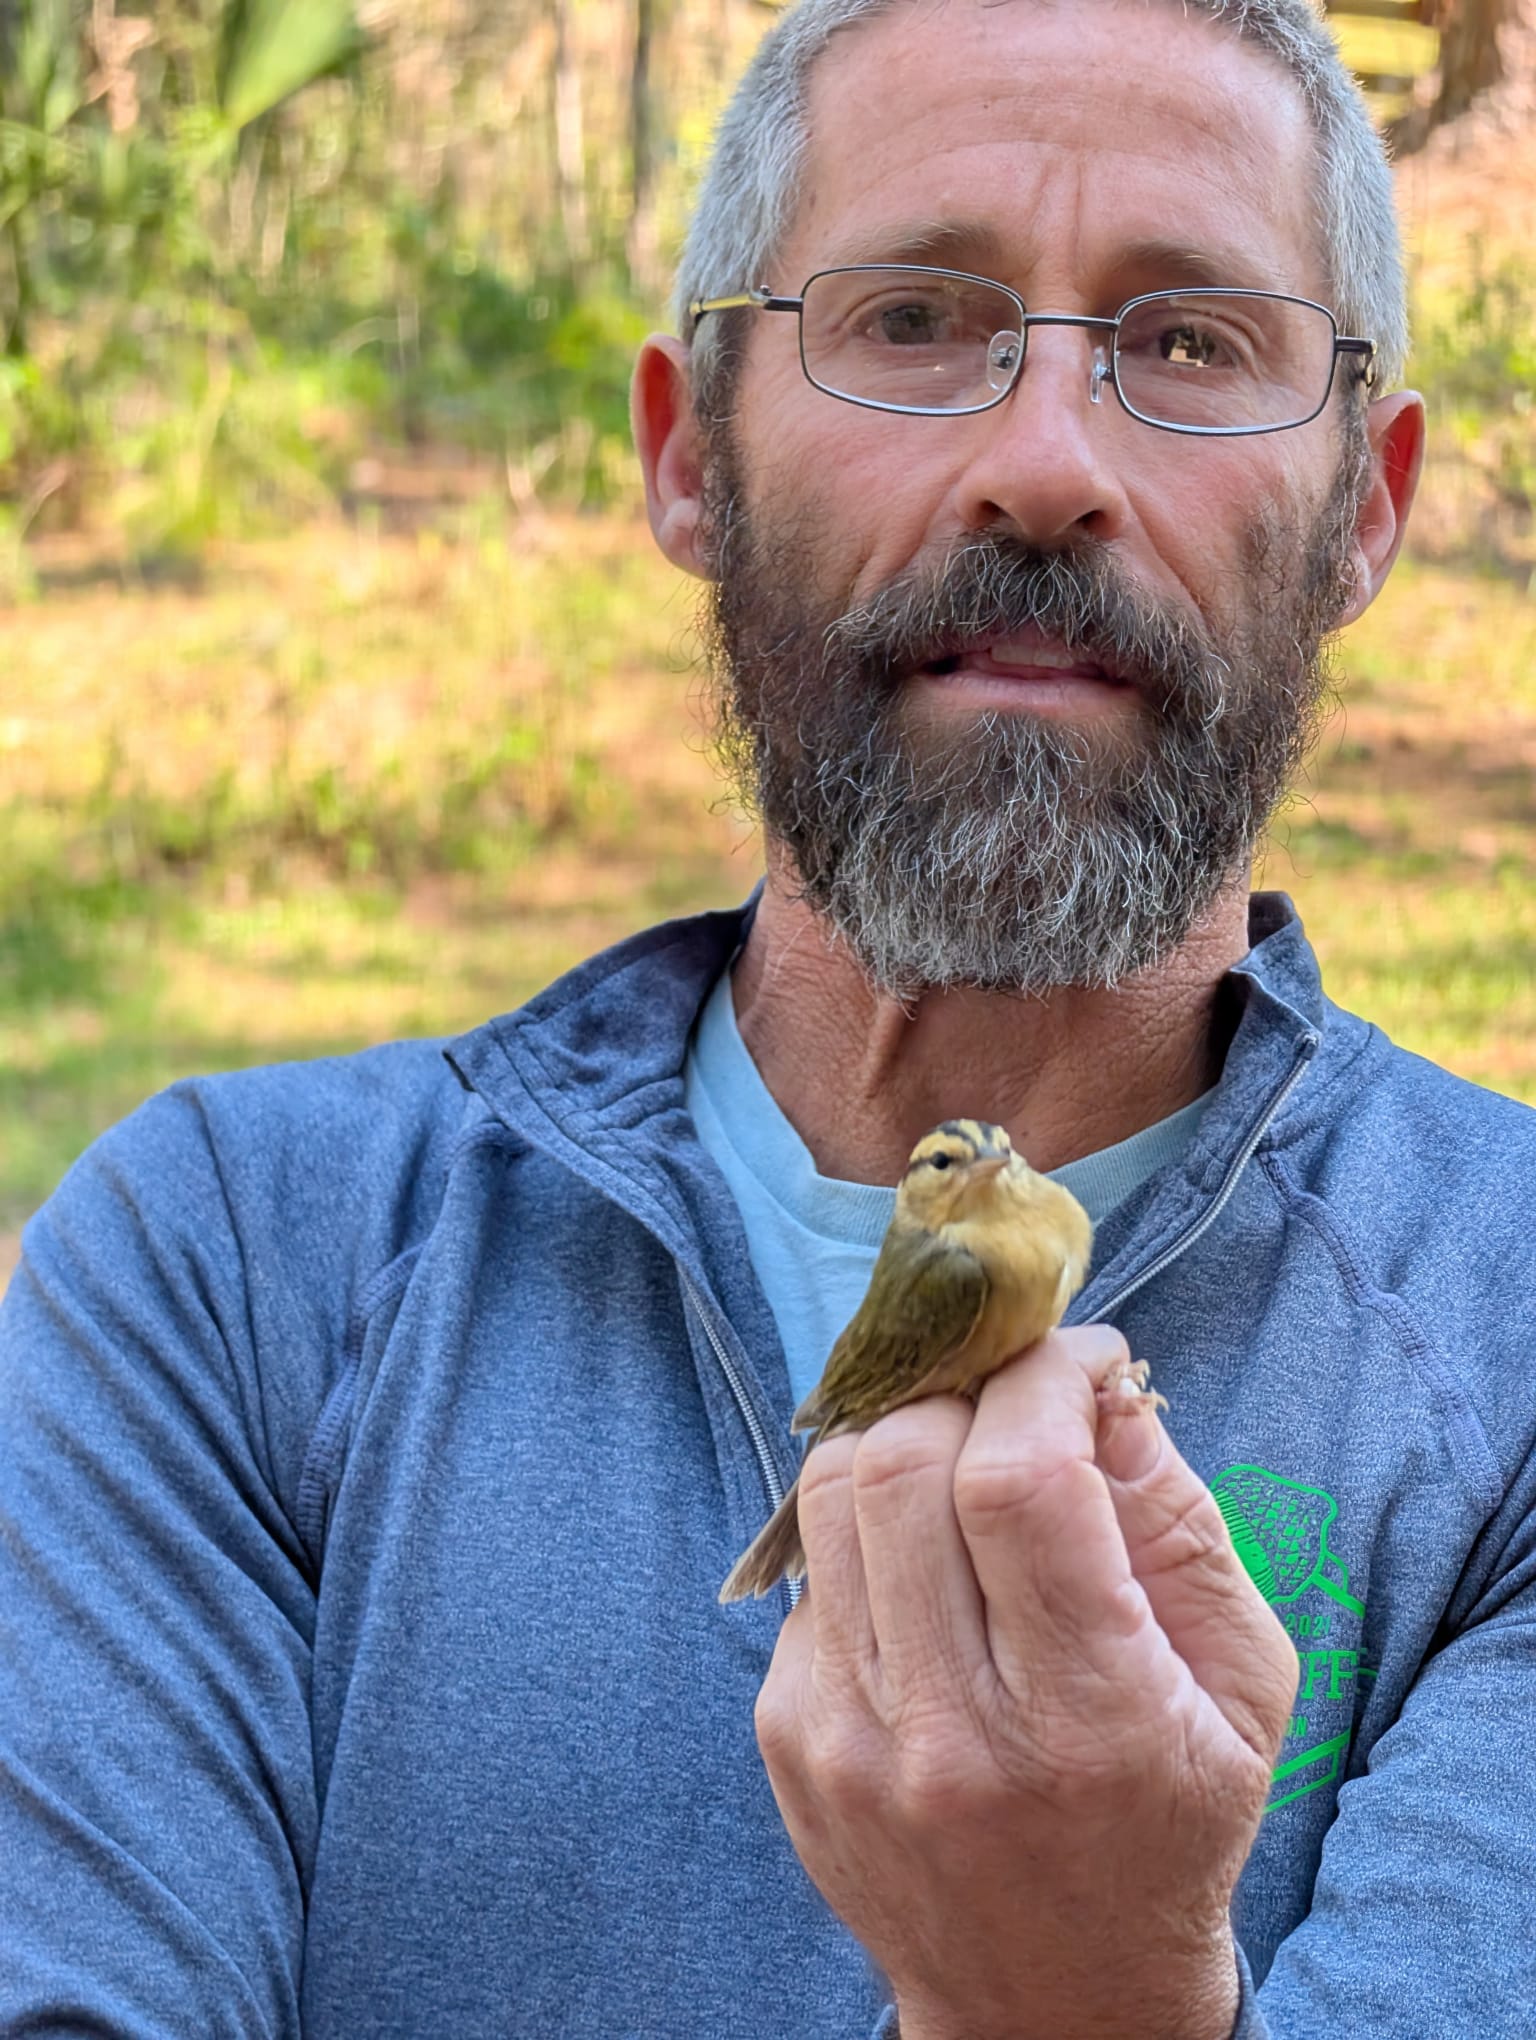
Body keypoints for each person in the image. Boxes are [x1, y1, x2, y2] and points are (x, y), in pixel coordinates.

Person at [2, 0, 1533, 2032]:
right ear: (684, 455)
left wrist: (1077, 1997)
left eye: (1188, 344)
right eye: (911, 319)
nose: (1046, 464)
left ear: (1365, 508)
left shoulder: (1505, 1352)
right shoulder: (219, 1278)